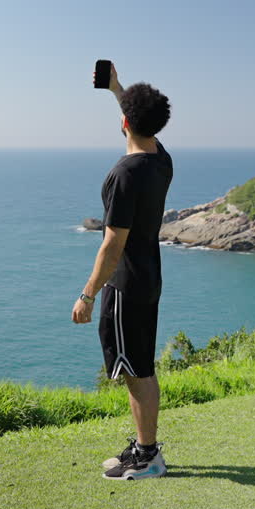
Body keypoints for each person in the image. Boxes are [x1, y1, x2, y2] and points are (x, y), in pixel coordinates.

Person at [72, 61, 173, 481]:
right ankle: (144, 446)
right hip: (149, 278)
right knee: (138, 366)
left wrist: (88, 294)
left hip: (125, 284)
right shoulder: (160, 161)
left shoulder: (123, 174)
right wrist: (118, 89)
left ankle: (148, 455)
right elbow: (140, 124)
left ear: (125, 122)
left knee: (136, 371)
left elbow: (113, 243)